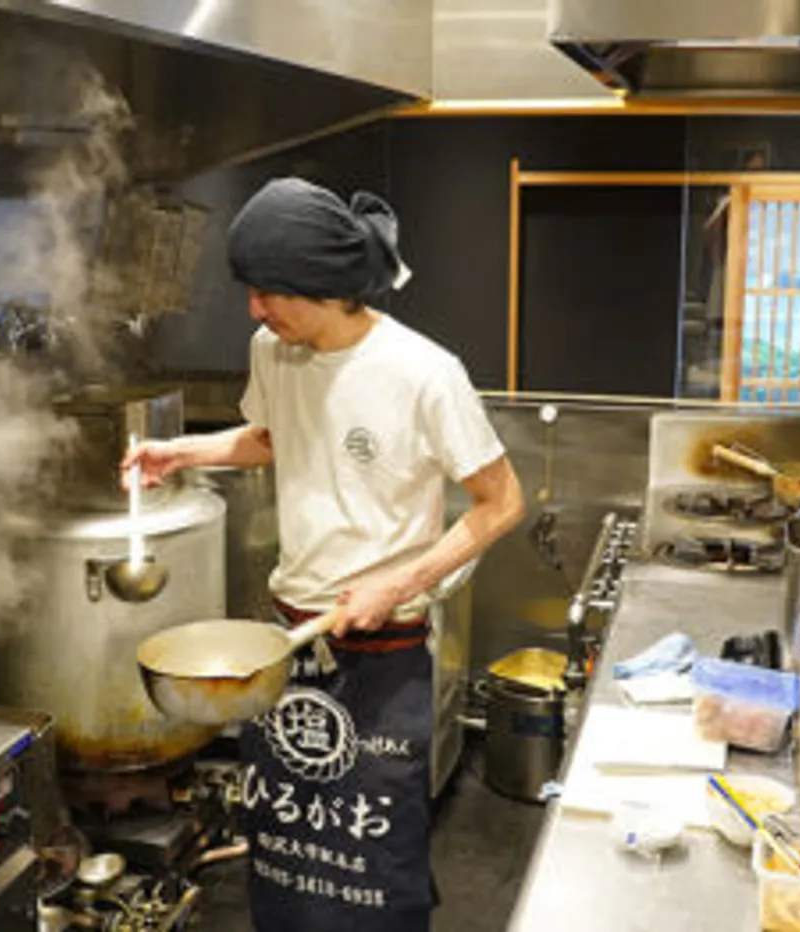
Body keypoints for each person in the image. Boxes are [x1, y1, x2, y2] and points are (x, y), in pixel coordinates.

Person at [125, 178, 525, 931]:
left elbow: (501, 503)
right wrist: (178, 454)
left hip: (384, 648)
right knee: (285, 848)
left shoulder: (424, 373)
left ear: (323, 286)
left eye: (267, 292)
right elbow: (269, 439)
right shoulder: (273, 351)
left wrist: (399, 583)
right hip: (288, 644)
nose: (254, 310)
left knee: (371, 855)